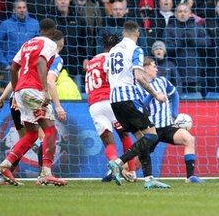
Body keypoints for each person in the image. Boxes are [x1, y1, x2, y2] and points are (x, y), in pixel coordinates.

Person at [0, 18, 67, 186]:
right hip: (35, 90)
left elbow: (13, 67)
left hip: (20, 92)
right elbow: (41, 62)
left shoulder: (27, 44)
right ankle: (46, 173)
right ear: (53, 31)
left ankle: (6, 164)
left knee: (32, 134)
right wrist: (44, 90)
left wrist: (16, 88)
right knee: (51, 131)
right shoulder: (49, 44)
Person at [105, 21, 170, 189]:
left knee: (142, 139)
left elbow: (107, 76)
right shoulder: (136, 49)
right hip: (128, 98)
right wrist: (155, 94)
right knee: (152, 136)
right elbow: (139, 76)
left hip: (114, 99)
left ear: (123, 33)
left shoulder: (112, 51)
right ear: (138, 33)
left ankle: (149, 179)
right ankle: (118, 162)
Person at [135, 57, 203, 183]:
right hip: (151, 130)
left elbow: (175, 94)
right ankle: (118, 170)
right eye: (154, 66)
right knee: (135, 163)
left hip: (167, 127)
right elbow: (140, 107)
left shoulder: (162, 81)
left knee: (189, 139)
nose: (157, 68)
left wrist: (174, 113)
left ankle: (190, 177)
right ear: (145, 68)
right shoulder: (137, 86)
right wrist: (153, 94)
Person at [84, 34, 137, 179]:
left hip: (94, 104)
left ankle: (114, 163)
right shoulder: (111, 58)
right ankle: (131, 171)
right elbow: (111, 77)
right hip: (111, 101)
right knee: (124, 134)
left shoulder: (91, 62)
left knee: (107, 140)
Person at [0, 0, 39, 70]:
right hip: (11, 65)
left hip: (29, 66)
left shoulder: (34, 23)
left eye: (24, 7)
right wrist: (5, 64)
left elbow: (38, 45)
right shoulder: (6, 24)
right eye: (19, 8)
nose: (22, 10)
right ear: (14, 10)